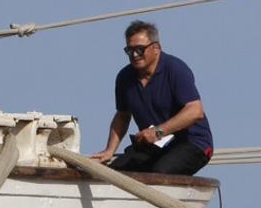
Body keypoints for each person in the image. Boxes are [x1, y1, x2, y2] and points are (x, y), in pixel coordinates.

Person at [91, 20, 213, 176]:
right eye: (130, 50)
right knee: (114, 174)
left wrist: (158, 132)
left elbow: (195, 111)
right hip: (155, 145)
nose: (135, 55)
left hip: (192, 143)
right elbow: (122, 115)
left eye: (140, 49)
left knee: (159, 174)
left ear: (156, 48)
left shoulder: (175, 69)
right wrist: (109, 150)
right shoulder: (124, 78)